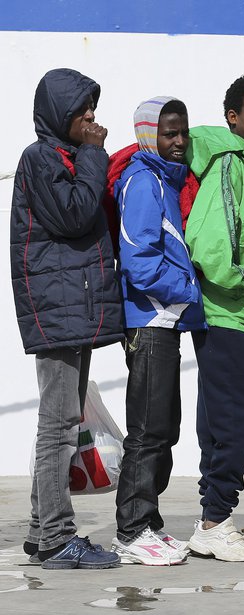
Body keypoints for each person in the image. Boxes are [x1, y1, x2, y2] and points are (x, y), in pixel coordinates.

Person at [9, 68, 122, 569]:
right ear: (60, 115)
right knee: (57, 425)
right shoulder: (40, 159)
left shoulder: (66, 158)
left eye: (93, 109)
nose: (92, 119)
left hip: (70, 307)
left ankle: (41, 531)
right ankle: (57, 537)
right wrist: (96, 155)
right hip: (56, 308)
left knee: (64, 421)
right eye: (82, 112)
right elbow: (74, 214)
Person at [184, 75, 244, 562]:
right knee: (241, 415)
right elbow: (211, 239)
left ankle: (214, 518)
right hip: (227, 311)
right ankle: (215, 521)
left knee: (219, 419)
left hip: (230, 315)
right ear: (232, 117)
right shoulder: (228, 162)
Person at [110, 97, 206, 566]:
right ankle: (131, 530)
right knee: (148, 431)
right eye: (169, 133)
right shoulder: (143, 182)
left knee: (164, 428)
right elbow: (138, 262)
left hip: (165, 323)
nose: (179, 142)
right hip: (148, 323)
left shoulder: (166, 181)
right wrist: (188, 285)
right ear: (150, 135)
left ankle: (148, 524)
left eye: (183, 133)